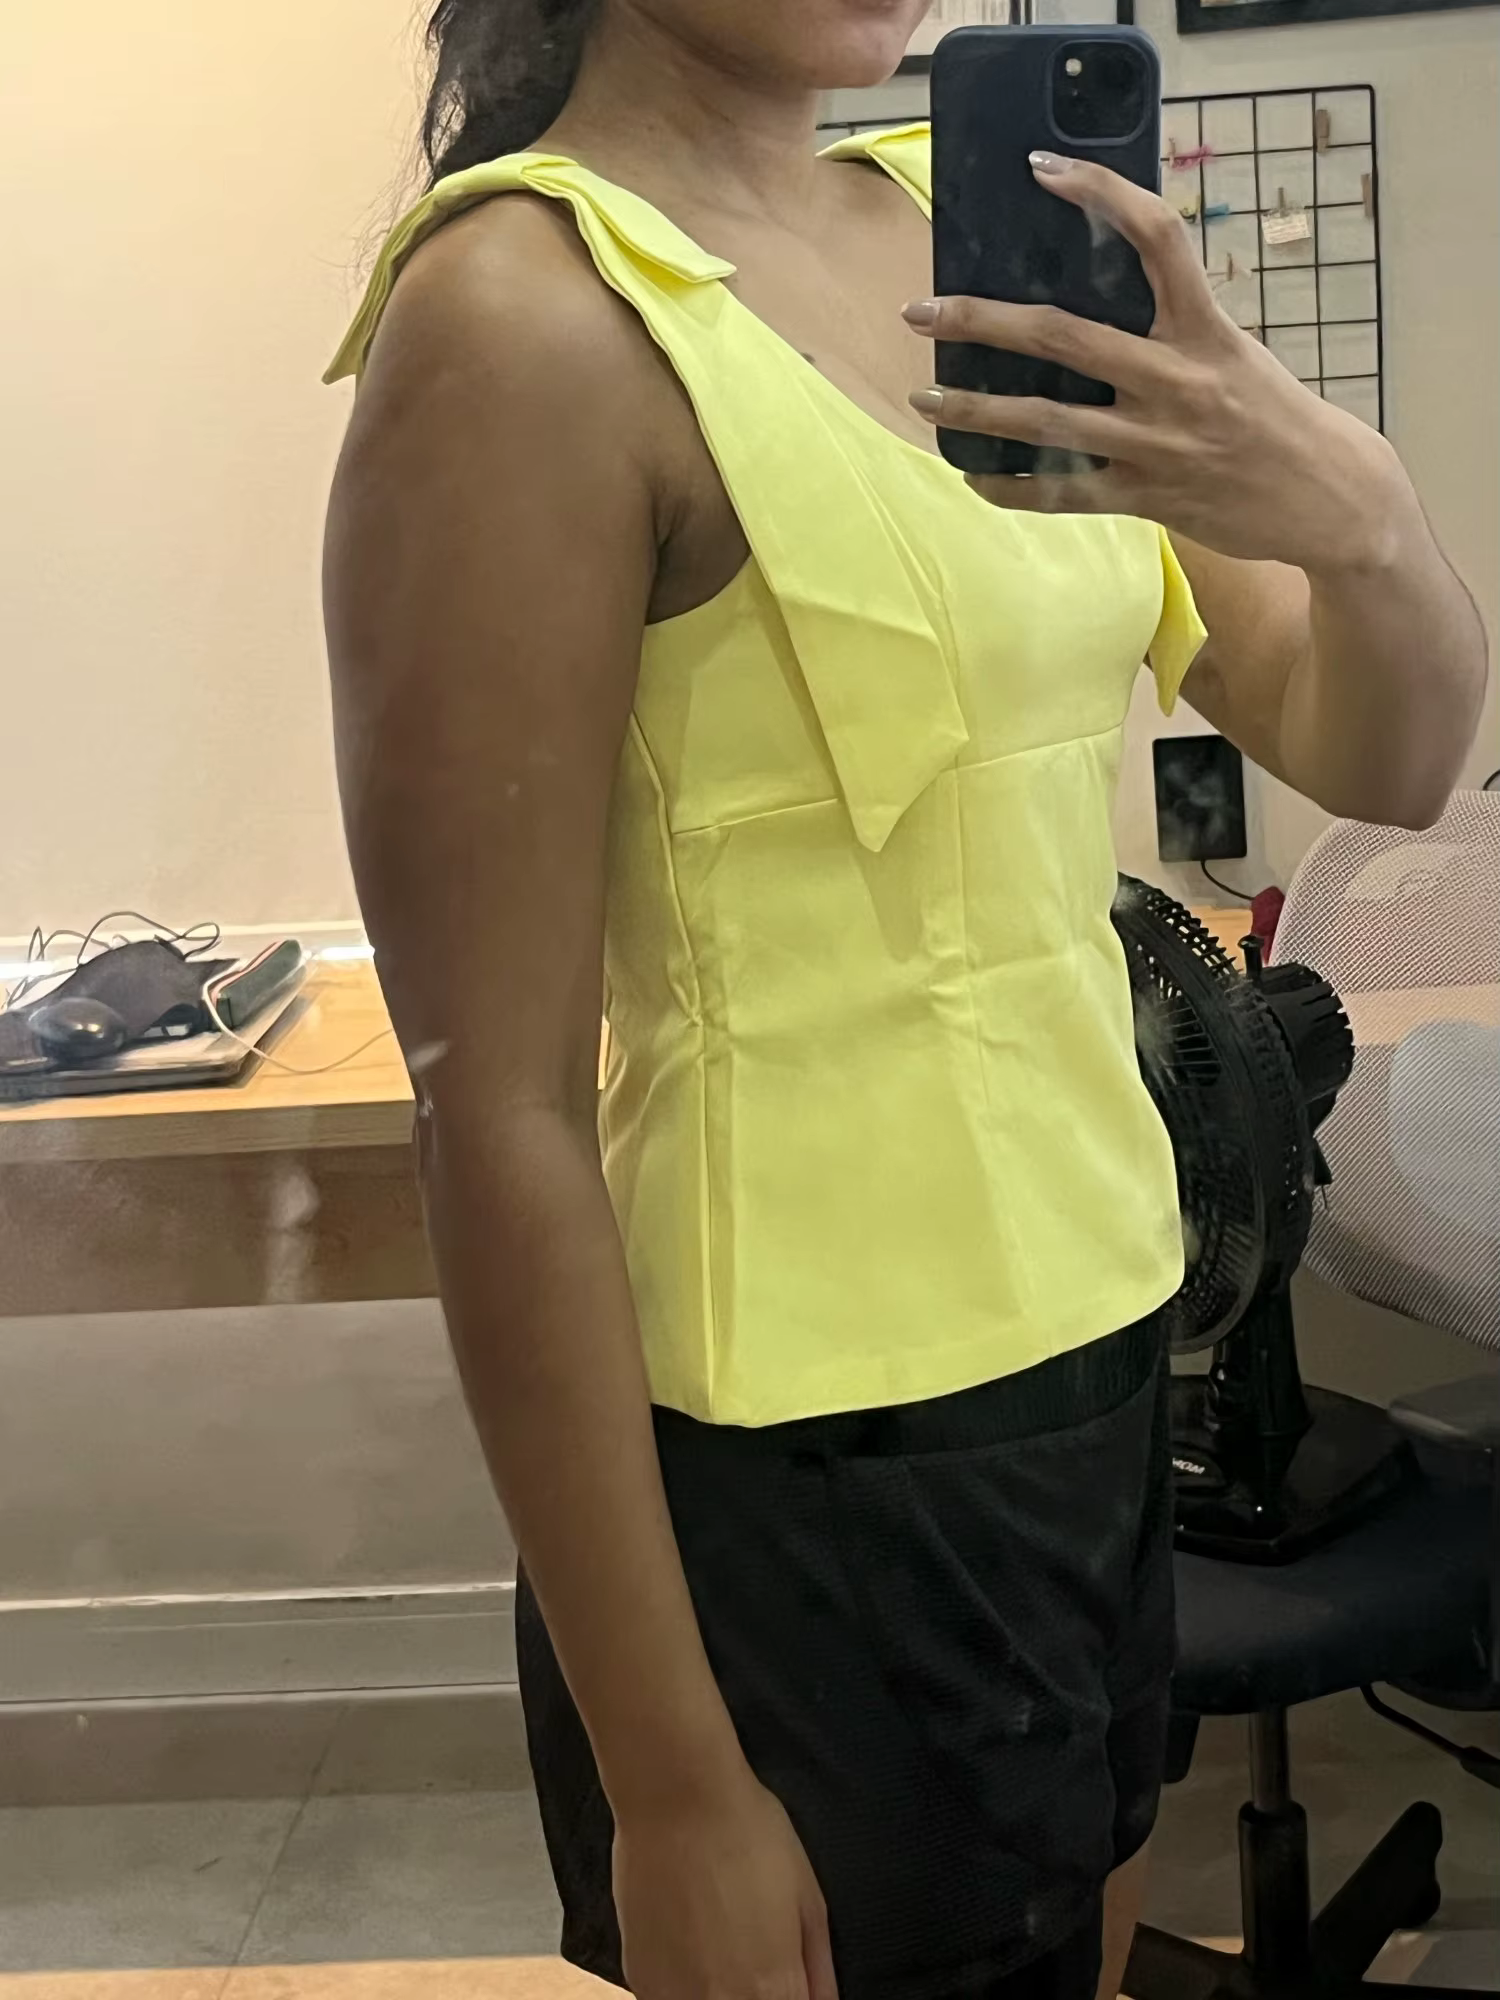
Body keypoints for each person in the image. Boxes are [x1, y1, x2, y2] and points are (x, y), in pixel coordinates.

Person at [321, 4, 1487, 1996]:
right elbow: (492, 1110)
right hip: (803, 1479)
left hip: (1104, 1371)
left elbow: (1387, 752)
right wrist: (674, 1784)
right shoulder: (523, 320)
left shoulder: (983, 237)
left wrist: (1357, 509)